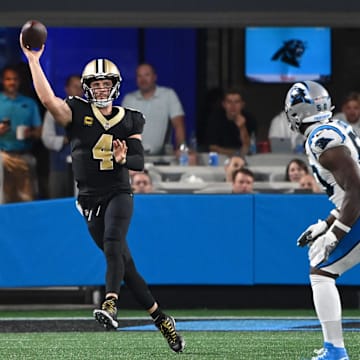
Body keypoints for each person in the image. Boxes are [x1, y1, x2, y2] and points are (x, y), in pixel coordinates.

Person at [21, 39, 185, 353]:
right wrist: (33, 61)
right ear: (86, 87)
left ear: (115, 86)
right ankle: (162, 319)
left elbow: (139, 161)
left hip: (119, 192)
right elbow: (47, 99)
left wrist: (124, 159)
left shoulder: (129, 118)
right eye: (94, 84)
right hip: (88, 200)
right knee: (126, 265)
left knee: (112, 243)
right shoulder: (76, 111)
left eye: (105, 83)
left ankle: (110, 303)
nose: (99, 89)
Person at [284, 80, 360, 360]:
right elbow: (348, 192)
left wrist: (335, 234)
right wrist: (326, 224)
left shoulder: (321, 139)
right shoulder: (334, 130)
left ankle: (335, 350)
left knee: (322, 272)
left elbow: (357, 191)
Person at [121, 63, 186, 155]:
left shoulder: (168, 95)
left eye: (147, 75)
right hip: (134, 156)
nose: (143, 79)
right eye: (139, 76)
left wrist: (181, 149)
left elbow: (178, 124)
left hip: (161, 157)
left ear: (155, 77)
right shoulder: (129, 99)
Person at [0, 65, 42, 203]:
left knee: (27, 199)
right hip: (3, 156)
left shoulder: (29, 103)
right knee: (3, 199)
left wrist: (30, 133)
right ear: (2, 81)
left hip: (25, 155)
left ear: (19, 81)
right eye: (8, 79)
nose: (12, 82)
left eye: (15, 79)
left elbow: (39, 131)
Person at [41, 75, 83, 198]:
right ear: (67, 89)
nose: (78, 90)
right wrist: (65, 140)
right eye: (74, 87)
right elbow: (46, 138)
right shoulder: (53, 110)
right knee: (57, 201)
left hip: (84, 168)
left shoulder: (91, 111)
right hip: (59, 166)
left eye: (81, 88)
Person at [205, 87, 252, 157]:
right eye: (229, 102)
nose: (233, 106)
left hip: (243, 160)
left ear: (242, 105)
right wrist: (237, 153)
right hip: (220, 159)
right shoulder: (215, 119)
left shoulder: (249, 119)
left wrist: (242, 128)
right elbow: (213, 148)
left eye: (236, 102)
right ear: (224, 104)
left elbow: (248, 148)